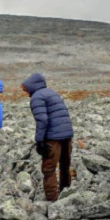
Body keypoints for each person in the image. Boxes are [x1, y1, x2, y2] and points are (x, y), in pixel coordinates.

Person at [20, 73, 74, 202]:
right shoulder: (52, 93)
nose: (26, 92)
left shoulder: (37, 97)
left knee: (49, 169)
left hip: (53, 137)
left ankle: (52, 200)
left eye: (26, 89)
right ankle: (66, 193)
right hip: (67, 134)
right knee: (65, 165)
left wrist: (39, 140)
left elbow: (42, 120)